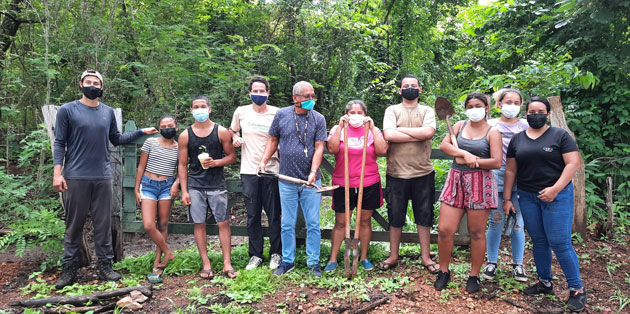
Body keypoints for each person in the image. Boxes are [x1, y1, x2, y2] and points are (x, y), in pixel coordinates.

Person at [52, 70, 158, 289]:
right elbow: (59, 142)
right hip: (75, 176)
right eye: (88, 82)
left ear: (102, 88)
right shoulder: (67, 110)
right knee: (74, 225)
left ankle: (105, 267)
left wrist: (140, 131)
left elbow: (116, 139)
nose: (92, 85)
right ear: (80, 84)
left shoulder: (107, 112)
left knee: (103, 224)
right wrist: (57, 172)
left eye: (96, 83)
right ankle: (69, 270)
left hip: (103, 176)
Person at [503, 96, 586, 311]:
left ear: (548, 114)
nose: (535, 115)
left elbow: (573, 163)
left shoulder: (560, 136)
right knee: (539, 241)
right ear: (526, 114)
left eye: (540, 111)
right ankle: (544, 282)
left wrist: (555, 189)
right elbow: (511, 169)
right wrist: (506, 198)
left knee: (560, 242)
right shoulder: (518, 139)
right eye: (531, 111)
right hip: (528, 196)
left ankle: (577, 290)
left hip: (557, 196)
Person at [257, 81, 327, 277]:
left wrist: (313, 171)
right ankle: (288, 261)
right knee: (287, 223)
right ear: (295, 98)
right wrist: (263, 161)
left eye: (312, 95)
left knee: (313, 223)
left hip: (310, 181)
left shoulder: (319, 118)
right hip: (286, 179)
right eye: (306, 96)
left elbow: (320, 146)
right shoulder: (282, 115)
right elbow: (272, 140)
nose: (310, 99)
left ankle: (313, 262)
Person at [434, 92, 502, 292]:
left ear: (487, 108)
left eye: (478, 106)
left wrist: (477, 161)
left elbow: (497, 162)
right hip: (456, 180)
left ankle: (474, 276)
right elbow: (444, 145)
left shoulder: (493, 132)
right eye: (470, 106)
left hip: (480, 182)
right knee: (445, 229)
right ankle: (444, 271)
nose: (474, 110)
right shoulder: (458, 126)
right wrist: (464, 153)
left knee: (476, 232)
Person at [380, 74, 439, 274]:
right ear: (400, 90)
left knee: (424, 215)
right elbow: (388, 135)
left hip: (423, 171)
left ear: (420, 90)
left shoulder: (426, 110)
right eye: (406, 86)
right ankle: (393, 255)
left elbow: (429, 133)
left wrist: (401, 131)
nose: (410, 88)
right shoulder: (392, 110)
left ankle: (425, 256)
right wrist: (416, 133)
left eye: (414, 85)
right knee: (395, 216)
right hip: (396, 172)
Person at [324, 100, 388, 273]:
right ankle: (333, 259)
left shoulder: (372, 131)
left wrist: (374, 128)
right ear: (346, 114)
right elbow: (332, 148)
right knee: (341, 222)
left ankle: (364, 257)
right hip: (343, 181)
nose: (356, 115)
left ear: (365, 114)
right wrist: (339, 126)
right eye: (352, 112)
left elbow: (382, 150)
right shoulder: (339, 130)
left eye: (360, 112)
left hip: (368, 181)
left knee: (365, 221)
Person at [178, 95, 238, 279]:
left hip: (217, 184)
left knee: (223, 222)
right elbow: (182, 165)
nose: (200, 109)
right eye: (196, 106)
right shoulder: (185, 135)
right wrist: (185, 190)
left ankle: (227, 263)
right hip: (195, 185)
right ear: (191, 110)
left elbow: (232, 156)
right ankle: (206, 264)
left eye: (203, 106)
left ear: (209, 109)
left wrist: (216, 162)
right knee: (199, 223)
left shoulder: (221, 132)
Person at [229, 76, 282, 270]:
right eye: (255, 91)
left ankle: (276, 253)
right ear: (250, 92)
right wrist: (235, 137)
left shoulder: (277, 113)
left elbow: (281, 138)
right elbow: (231, 131)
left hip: (272, 170)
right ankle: (255, 255)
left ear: (268, 93)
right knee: (252, 215)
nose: (258, 94)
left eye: (262, 91)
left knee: (274, 214)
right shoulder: (241, 112)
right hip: (249, 170)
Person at [482, 88, 529, 282]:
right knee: (496, 221)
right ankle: (492, 262)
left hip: (523, 181)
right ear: (499, 104)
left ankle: (518, 264)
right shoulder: (490, 125)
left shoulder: (526, 125)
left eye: (516, 103)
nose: (512, 106)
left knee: (518, 224)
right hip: (495, 179)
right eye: (508, 102)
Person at [135, 114, 180, 283]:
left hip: (167, 186)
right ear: (159, 128)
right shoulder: (150, 142)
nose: (167, 128)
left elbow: (182, 169)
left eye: (170, 125)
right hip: (148, 185)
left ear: (176, 127)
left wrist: (176, 184)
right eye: (163, 126)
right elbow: (141, 166)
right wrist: (136, 188)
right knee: (149, 224)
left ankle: (158, 263)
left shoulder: (179, 147)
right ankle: (168, 251)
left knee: (162, 224)